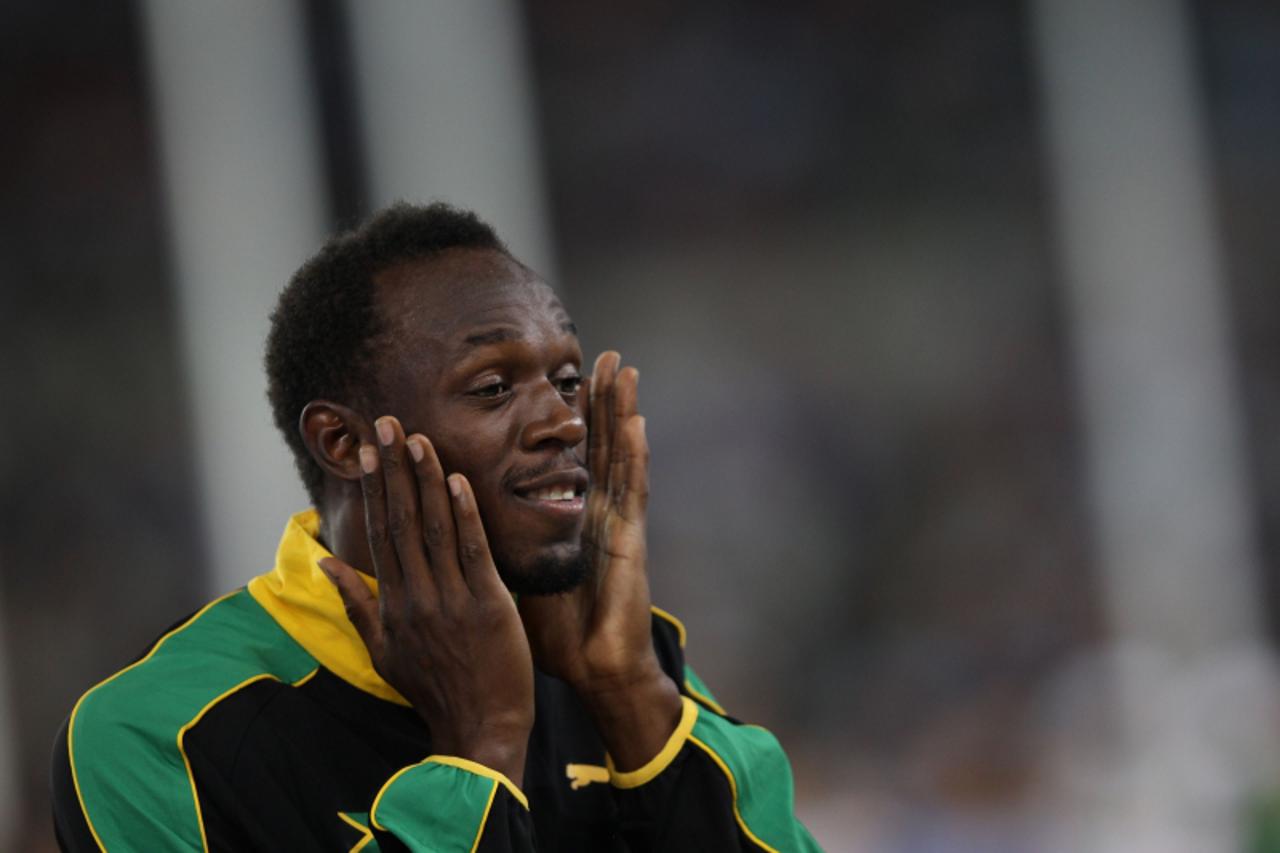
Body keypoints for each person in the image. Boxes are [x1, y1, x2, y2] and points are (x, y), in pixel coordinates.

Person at [51, 203, 820, 851]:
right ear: (344, 442)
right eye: (493, 387)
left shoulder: (623, 666)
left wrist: (630, 693)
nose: (564, 420)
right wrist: (479, 750)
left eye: (564, 379)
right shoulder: (157, 735)